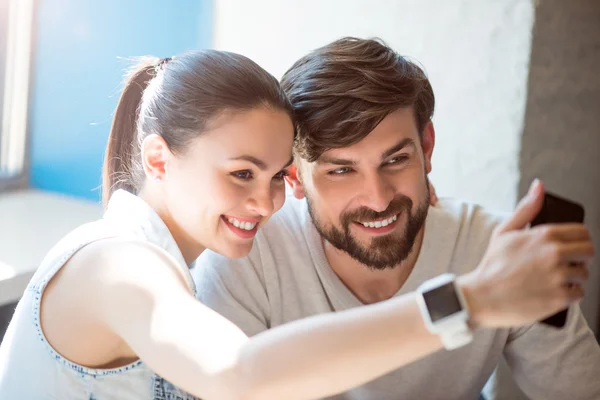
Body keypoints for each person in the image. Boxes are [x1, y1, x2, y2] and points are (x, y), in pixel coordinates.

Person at [0, 50, 591, 400]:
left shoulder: (164, 258)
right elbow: (238, 373)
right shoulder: (119, 264)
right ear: (158, 159)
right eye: (239, 174)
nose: (263, 204)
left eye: (276, 176)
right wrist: (472, 300)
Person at [194, 38, 600, 400]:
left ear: (426, 147)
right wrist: (472, 302)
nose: (378, 198)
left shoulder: (496, 253)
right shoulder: (248, 257)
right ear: (296, 177)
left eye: (396, 160)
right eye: (341, 170)